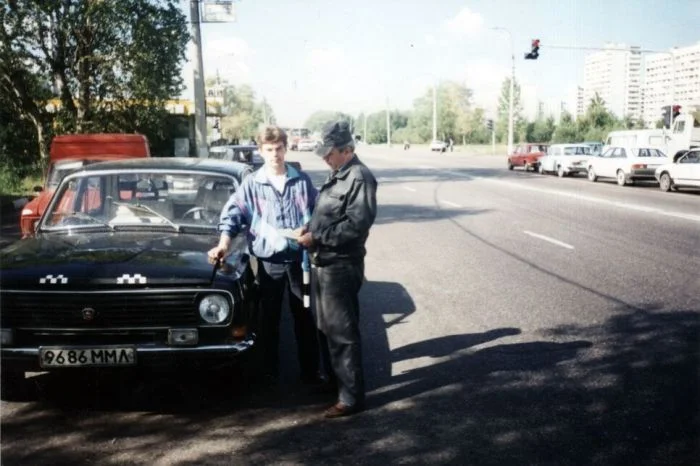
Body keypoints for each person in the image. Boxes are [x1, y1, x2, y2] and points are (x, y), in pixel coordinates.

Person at [208, 125, 322, 386]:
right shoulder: (252, 184)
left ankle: (311, 374)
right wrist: (223, 244)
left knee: (304, 316)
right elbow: (233, 215)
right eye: (269, 150)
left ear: (285, 148)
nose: (275, 155)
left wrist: (311, 231)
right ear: (260, 151)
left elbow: (319, 212)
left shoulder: (301, 181)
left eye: (279, 149)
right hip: (269, 264)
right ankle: (269, 375)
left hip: (300, 263)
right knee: (268, 319)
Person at [297, 121, 378, 418]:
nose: (325, 158)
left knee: (342, 333)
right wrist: (309, 227)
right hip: (323, 262)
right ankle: (334, 383)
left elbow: (356, 225)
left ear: (347, 150)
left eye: (329, 153)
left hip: (340, 266)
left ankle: (350, 398)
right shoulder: (338, 173)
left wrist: (316, 237)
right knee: (325, 328)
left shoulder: (359, 177)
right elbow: (328, 214)